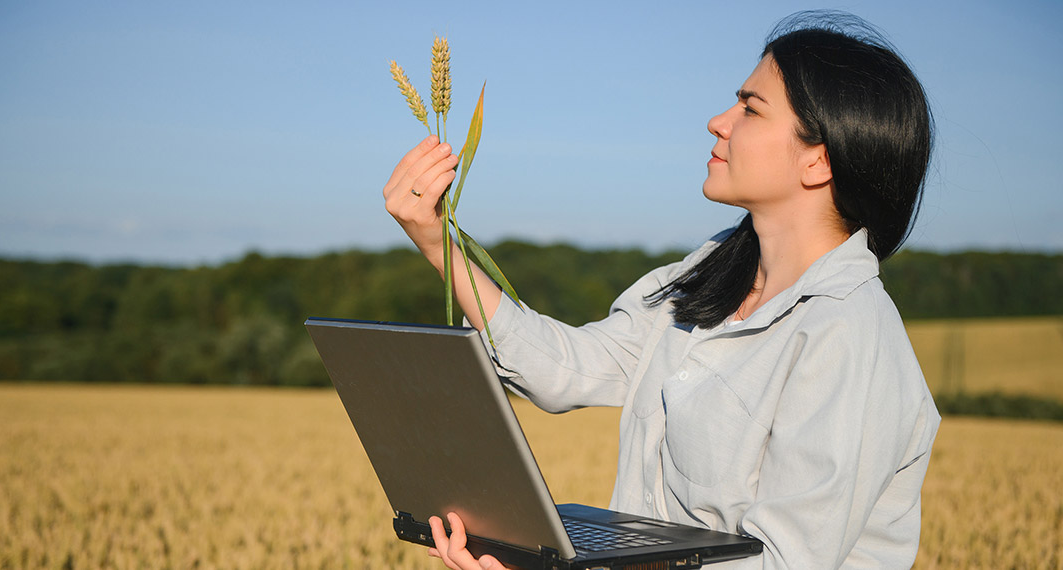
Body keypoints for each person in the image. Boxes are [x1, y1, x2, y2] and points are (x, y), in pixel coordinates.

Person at [382, 11, 940, 569]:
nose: (718, 122)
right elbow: (565, 369)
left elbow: (779, 562)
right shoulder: (708, 274)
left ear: (818, 160)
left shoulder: (848, 333)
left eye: (750, 108)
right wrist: (437, 242)